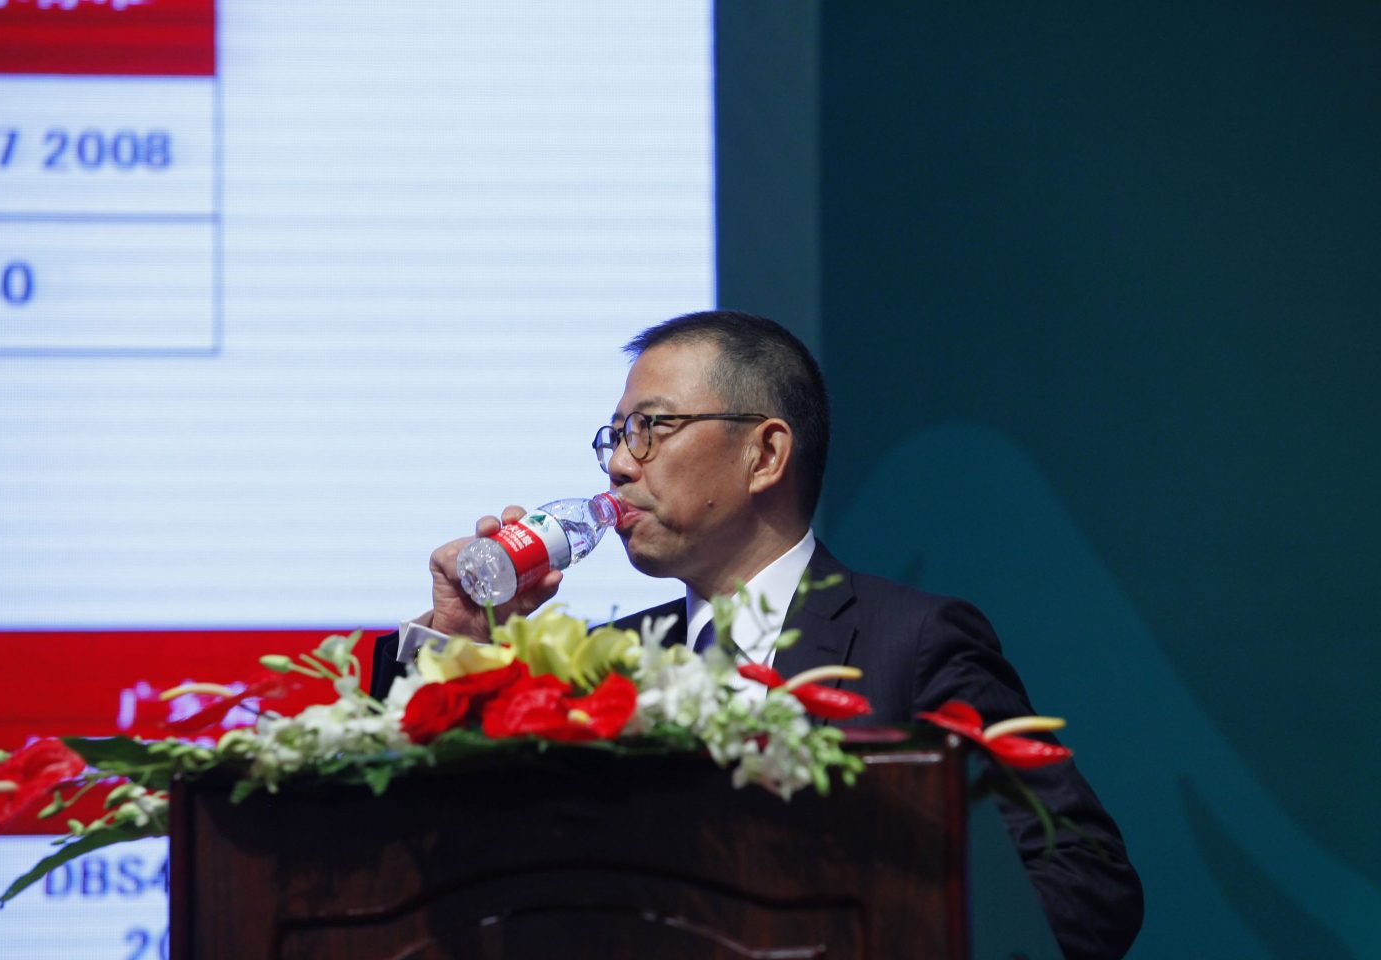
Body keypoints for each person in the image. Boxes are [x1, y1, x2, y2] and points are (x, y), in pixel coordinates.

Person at [371, 310, 1144, 960]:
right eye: (614, 436)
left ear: (766, 454)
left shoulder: (913, 643)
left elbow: (1086, 881)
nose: (620, 466)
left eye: (651, 428)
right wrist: (459, 641)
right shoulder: (607, 666)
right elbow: (427, 852)